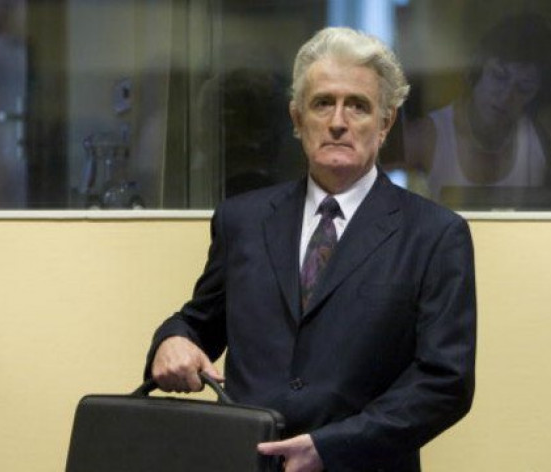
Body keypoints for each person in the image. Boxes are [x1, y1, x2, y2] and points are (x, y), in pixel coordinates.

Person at [144, 26, 476, 472]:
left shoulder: (435, 235)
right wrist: (172, 339)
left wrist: (331, 447)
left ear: (385, 123)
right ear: (297, 118)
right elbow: (198, 322)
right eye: (322, 103)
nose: (338, 121)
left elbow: (445, 382)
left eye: (357, 105)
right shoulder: (242, 221)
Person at [403, 13, 551, 209]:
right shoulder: (429, 134)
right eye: (499, 76)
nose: (506, 96)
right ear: (477, 70)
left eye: (524, 88)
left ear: (537, 96)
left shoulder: (547, 126)